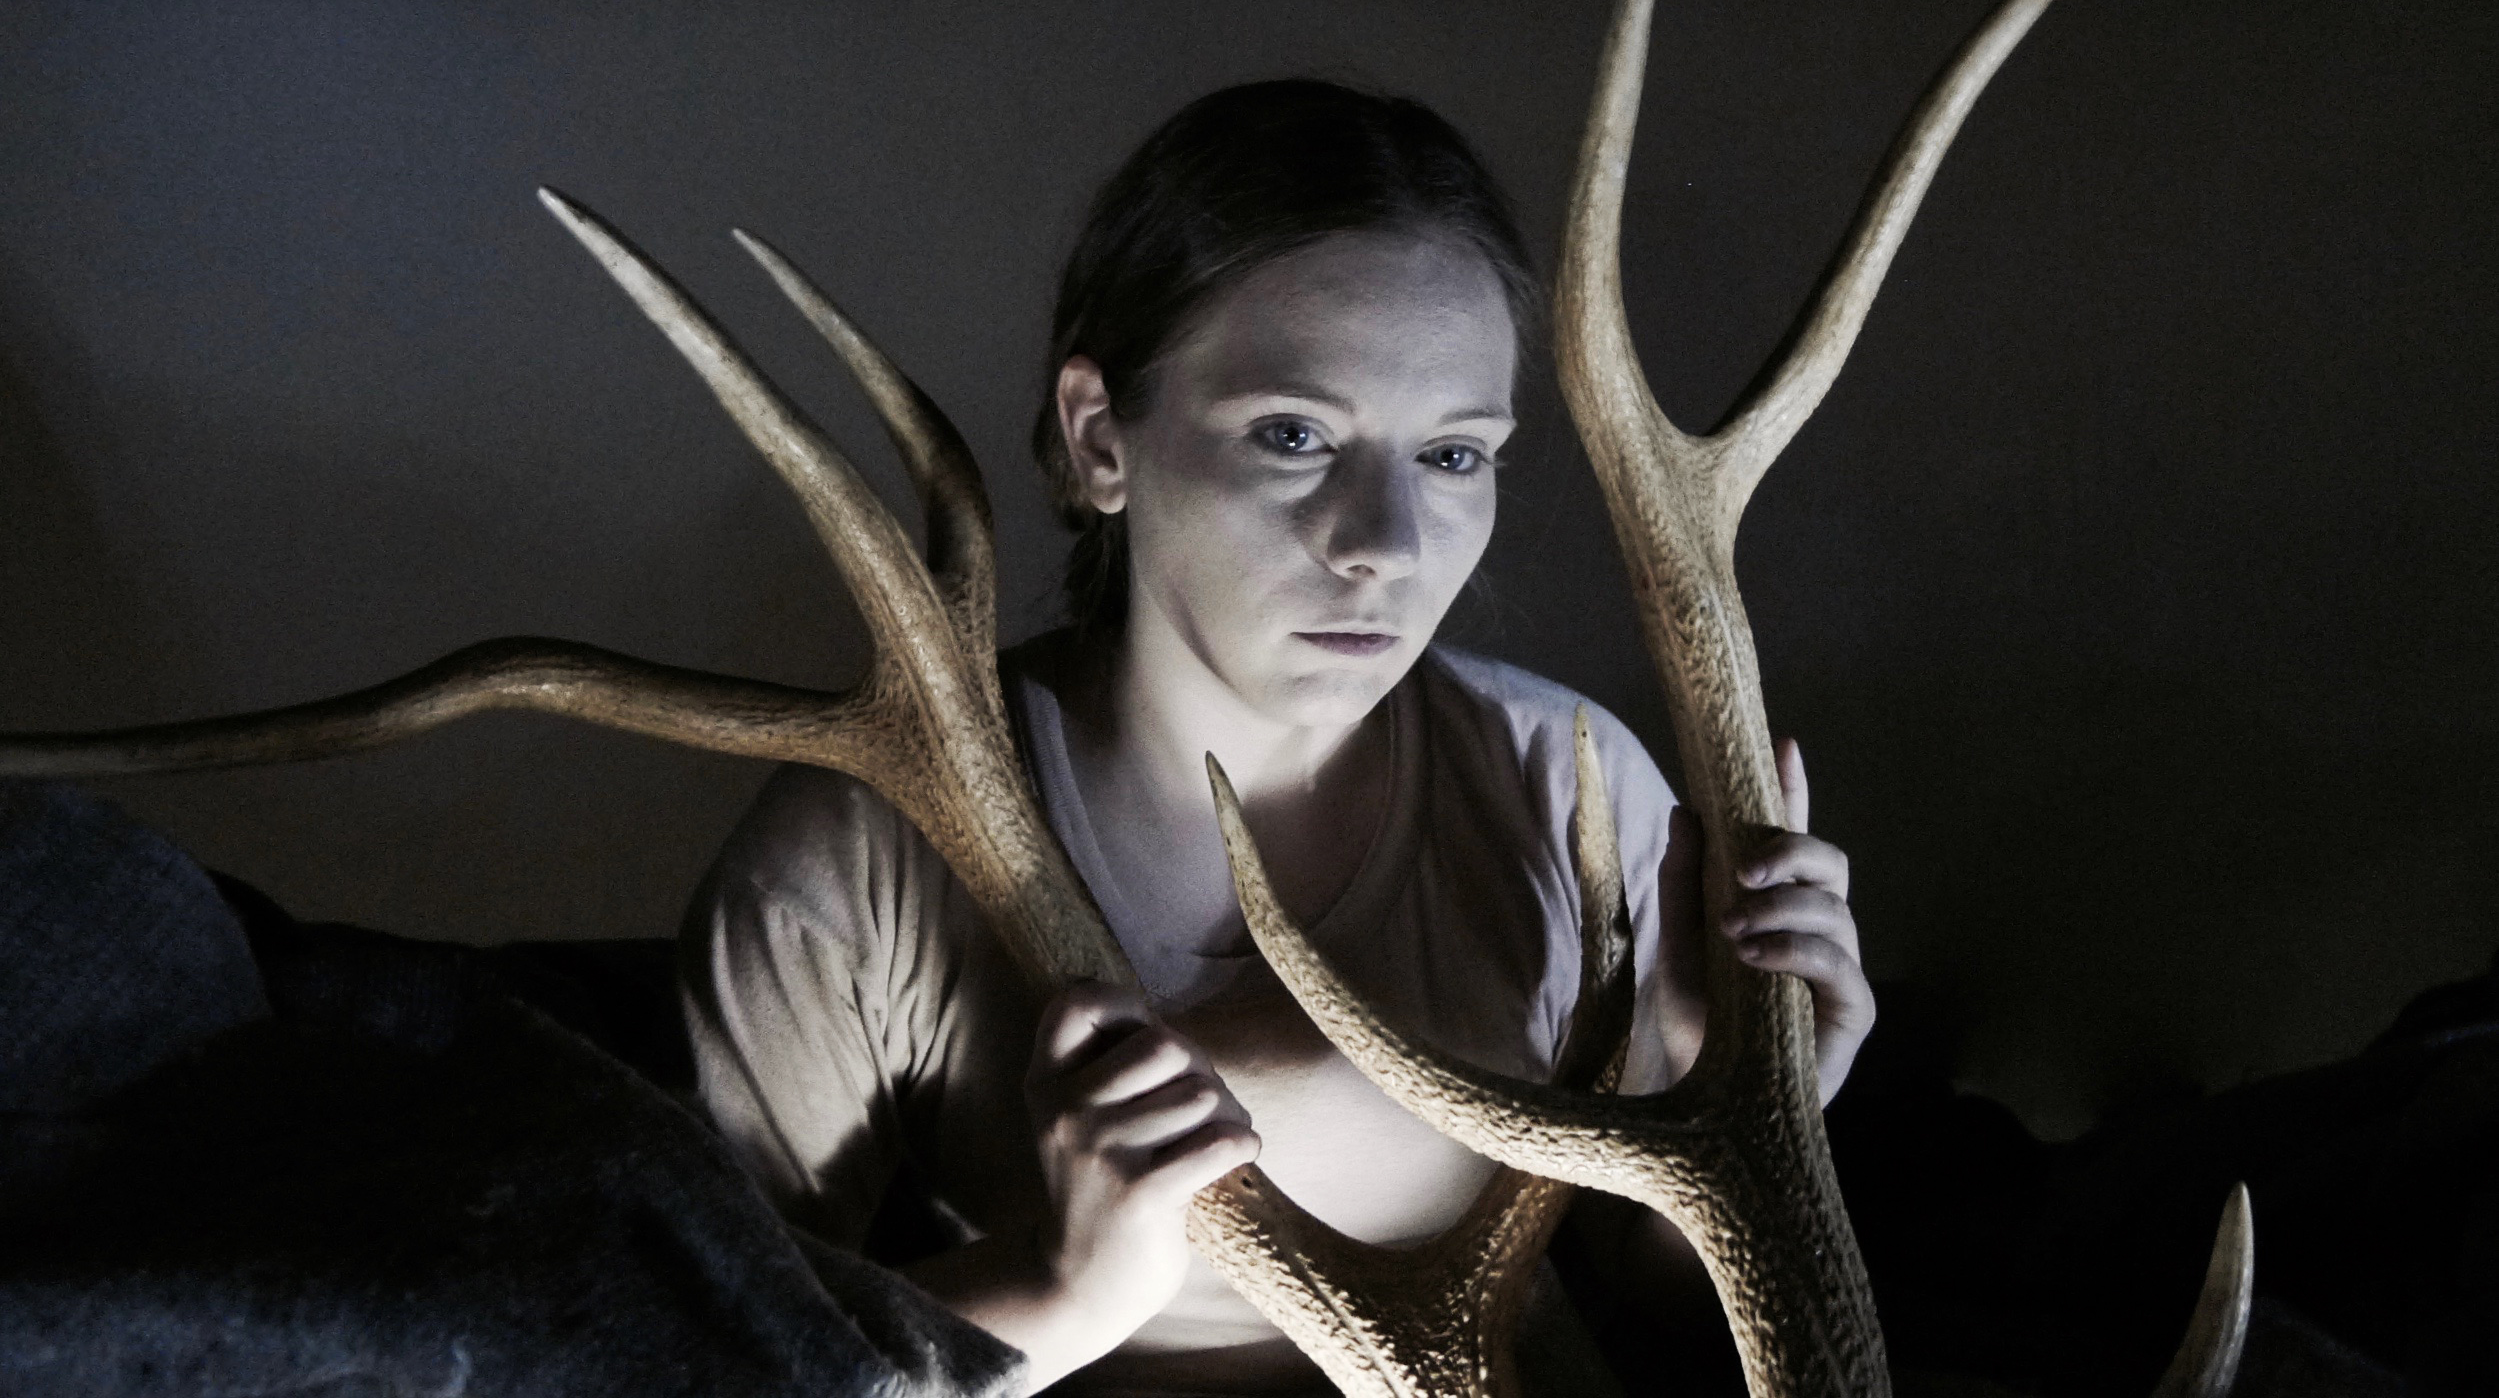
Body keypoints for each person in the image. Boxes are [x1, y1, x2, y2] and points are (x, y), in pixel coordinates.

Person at [680, 79, 1872, 1396]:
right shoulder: (855, 866)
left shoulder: (1575, 797)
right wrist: (1060, 1289)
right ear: (1100, 439)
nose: (1386, 544)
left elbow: (1662, 1327)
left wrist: (1740, 1107)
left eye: (1454, 455)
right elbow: (709, 1365)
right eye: (1294, 435)